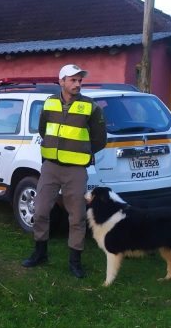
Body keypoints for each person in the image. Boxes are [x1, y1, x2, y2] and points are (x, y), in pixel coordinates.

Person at [22, 63, 107, 278]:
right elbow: (43, 129)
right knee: (40, 211)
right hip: (50, 167)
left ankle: (75, 261)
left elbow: (99, 138)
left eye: (79, 80)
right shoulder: (49, 103)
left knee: (77, 216)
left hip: (76, 170)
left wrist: (83, 153)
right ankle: (40, 253)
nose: (77, 84)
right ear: (61, 81)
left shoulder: (90, 106)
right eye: (73, 80)